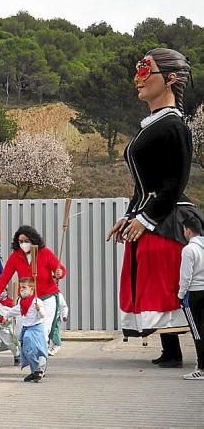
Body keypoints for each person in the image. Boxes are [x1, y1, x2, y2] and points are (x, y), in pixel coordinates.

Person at [106, 48, 203, 368]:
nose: (138, 78)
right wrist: (129, 216)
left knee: (166, 278)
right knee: (149, 275)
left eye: (146, 70)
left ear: (170, 79)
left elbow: (175, 181)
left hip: (169, 217)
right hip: (151, 214)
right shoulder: (151, 125)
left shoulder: (174, 126)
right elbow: (142, 185)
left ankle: (189, 351)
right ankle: (170, 350)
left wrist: (147, 218)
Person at [0, 226, 66, 359]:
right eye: (20, 241)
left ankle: (40, 365)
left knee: (42, 332)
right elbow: (4, 278)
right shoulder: (16, 256)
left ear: (33, 240)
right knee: (20, 333)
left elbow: (60, 270)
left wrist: (59, 273)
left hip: (46, 298)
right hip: (25, 300)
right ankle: (31, 359)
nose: (23, 244)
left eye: (26, 240)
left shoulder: (45, 252)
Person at [4, 277, 47, 383]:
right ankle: (35, 371)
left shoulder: (37, 302)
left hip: (35, 329)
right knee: (26, 350)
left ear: (31, 289)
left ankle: (38, 369)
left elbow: (42, 315)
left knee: (31, 348)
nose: (21, 290)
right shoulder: (22, 302)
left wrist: (39, 310)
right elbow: (15, 310)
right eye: (20, 287)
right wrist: (6, 316)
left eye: (24, 287)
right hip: (26, 328)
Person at [179, 215, 204, 380]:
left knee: (197, 332)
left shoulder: (188, 249)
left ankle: (201, 368)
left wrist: (181, 295)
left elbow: (186, 277)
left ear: (188, 230)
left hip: (193, 294)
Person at [0, 291, 20, 367]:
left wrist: (7, 321)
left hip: (5, 328)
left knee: (10, 344)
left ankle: (17, 355)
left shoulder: (10, 303)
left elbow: (12, 315)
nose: (1, 293)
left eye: (3, 291)